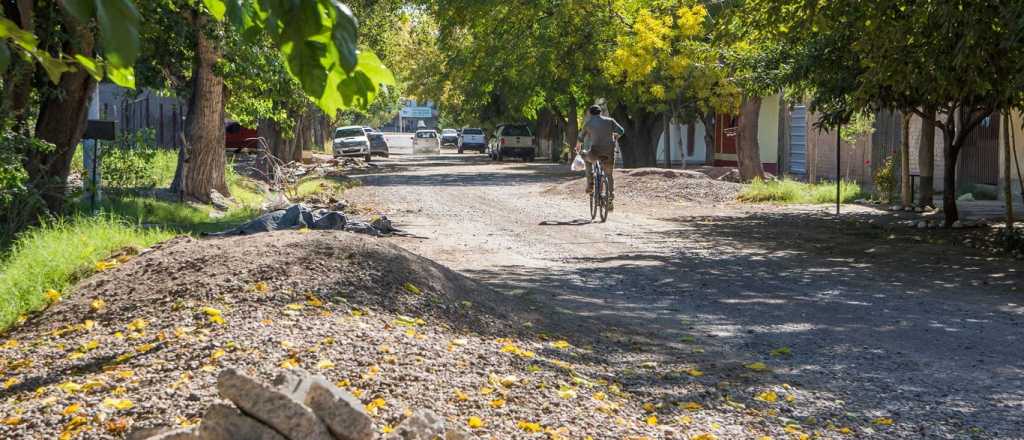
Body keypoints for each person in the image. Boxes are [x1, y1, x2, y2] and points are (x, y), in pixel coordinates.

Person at [576, 105, 625, 210]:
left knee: (585, 156)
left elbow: (580, 137)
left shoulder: (588, 123)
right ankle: (610, 197)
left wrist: (578, 147)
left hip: (595, 153)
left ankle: (590, 184)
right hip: (609, 152)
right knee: (609, 175)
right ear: (600, 113)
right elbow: (621, 130)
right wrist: (615, 136)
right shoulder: (610, 121)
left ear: (590, 113)